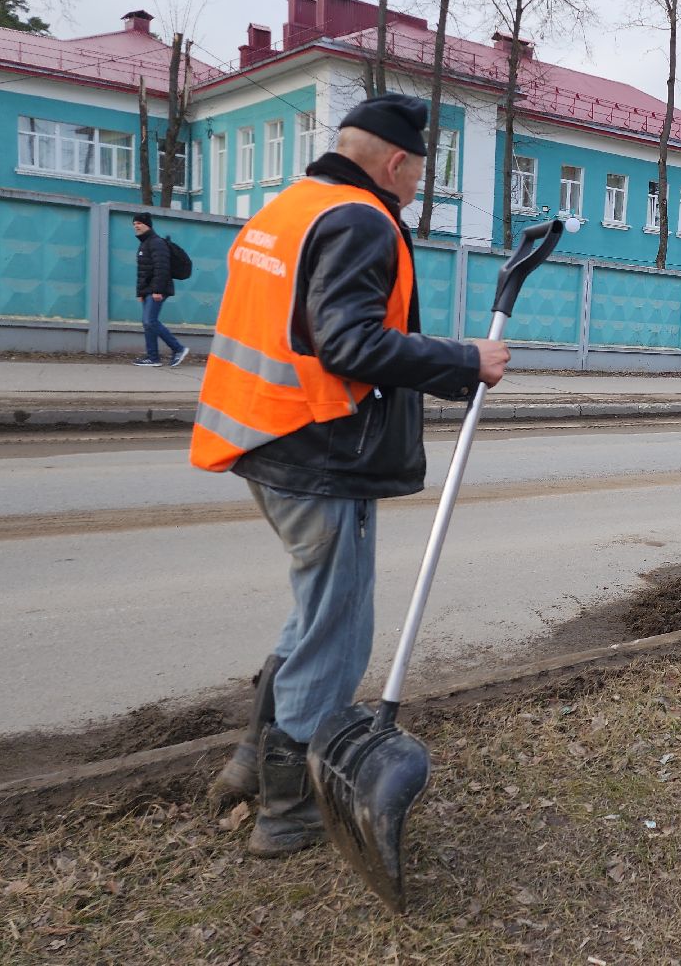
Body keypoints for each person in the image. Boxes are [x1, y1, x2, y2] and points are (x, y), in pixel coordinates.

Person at [190, 93, 510, 858]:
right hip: (319, 451)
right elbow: (349, 344)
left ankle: (251, 761)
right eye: (419, 176)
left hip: (261, 435)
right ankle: (289, 808)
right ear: (396, 163)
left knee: (315, 612)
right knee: (336, 631)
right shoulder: (362, 220)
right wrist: (465, 360)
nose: (417, 190)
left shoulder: (289, 208)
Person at [132, 213, 190, 367]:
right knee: (147, 322)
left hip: (157, 289)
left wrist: (157, 290)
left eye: (139, 223)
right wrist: (140, 293)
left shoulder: (156, 243)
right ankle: (153, 357)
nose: (136, 226)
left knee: (150, 321)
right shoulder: (145, 243)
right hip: (148, 290)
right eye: (134, 224)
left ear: (148, 225)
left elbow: (162, 268)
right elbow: (143, 272)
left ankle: (178, 349)